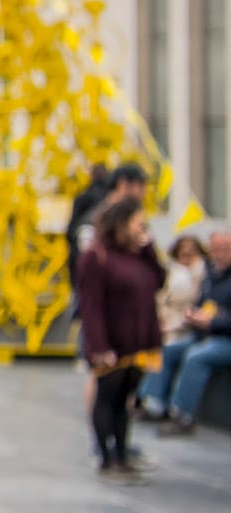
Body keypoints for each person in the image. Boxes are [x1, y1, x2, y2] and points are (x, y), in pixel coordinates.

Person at [75, 196, 165, 482]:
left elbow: (159, 279)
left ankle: (123, 456)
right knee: (107, 398)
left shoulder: (137, 254)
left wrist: (148, 244)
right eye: (138, 223)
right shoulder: (96, 256)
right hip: (111, 343)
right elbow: (91, 306)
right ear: (122, 223)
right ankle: (105, 457)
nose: (142, 228)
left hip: (138, 341)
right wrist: (99, 347)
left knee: (125, 401)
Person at [148, 231, 231, 437]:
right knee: (167, 350)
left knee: (196, 357)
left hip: (224, 338)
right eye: (214, 250)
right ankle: (155, 404)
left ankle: (183, 415)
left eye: (224, 250)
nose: (218, 255)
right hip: (205, 333)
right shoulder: (211, 275)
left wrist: (214, 321)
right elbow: (202, 303)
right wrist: (193, 313)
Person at [138, 235, 207, 421]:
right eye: (183, 249)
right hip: (173, 320)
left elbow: (193, 298)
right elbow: (161, 295)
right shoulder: (171, 270)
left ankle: (181, 412)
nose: (186, 253)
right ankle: (151, 401)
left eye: (191, 249)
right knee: (161, 349)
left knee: (194, 355)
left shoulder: (201, 271)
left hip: (186, 324)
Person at [64, 162, 112, 291]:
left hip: (82, 262)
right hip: (108, 264)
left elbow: (70, 231)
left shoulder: (82, 198)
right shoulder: (112, 200)